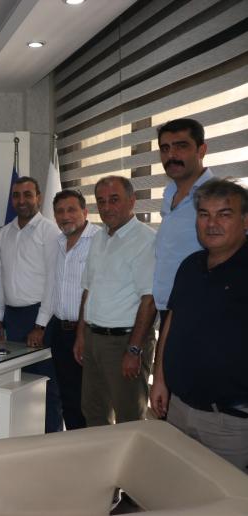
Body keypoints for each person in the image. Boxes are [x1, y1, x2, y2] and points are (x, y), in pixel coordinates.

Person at [150, 178, 248, 471]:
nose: (212, 223)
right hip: (179, 409)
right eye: (204, 214)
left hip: (229, 422)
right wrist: (160, 379)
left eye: (224, 214)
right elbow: (171, 321)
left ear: (245, 220)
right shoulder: (190, 265)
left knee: (225, 495)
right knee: (178, 485)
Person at [75, 176, 157, 427]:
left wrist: (134, 350)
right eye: (101, 201)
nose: (107, 207)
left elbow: (149, 300)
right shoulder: (98, 237)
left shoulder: (146, 240)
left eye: (114, 200)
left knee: (129, 419)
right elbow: (87, 290)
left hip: (124, 342)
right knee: (93, 412)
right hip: (93, 339)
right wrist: (81, 336)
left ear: (132, 201)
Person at [0, 176, 62, 433]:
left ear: (38, 198)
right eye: (16, 195)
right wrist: (0, 319)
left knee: (46, 386)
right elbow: (0, 277)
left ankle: (51, 441)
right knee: (17, 384)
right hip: (12, 318)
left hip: (40, 316)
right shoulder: (5, 232)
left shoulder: (49, 231)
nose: (21, 200)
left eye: (27, 195)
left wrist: (40, 325)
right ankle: (24, 439)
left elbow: (53, 280)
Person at [46, 190, 99, 430]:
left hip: (87, 332)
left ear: (85, 212)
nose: (65, 216)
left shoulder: (99, 240)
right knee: (68, 399)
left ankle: (93, 448)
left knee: (91, 401)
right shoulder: (57, 242)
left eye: (71, 210)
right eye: (60, 211)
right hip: (60, 330)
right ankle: (75, 445)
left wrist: (82, 333)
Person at [153, 118, 213, 325]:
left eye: (181, 146)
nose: (171, 155)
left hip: (201, 311)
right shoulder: (170, 193)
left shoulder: (220, 196)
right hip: (168, 308)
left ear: (201, 150)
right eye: (165, 148)